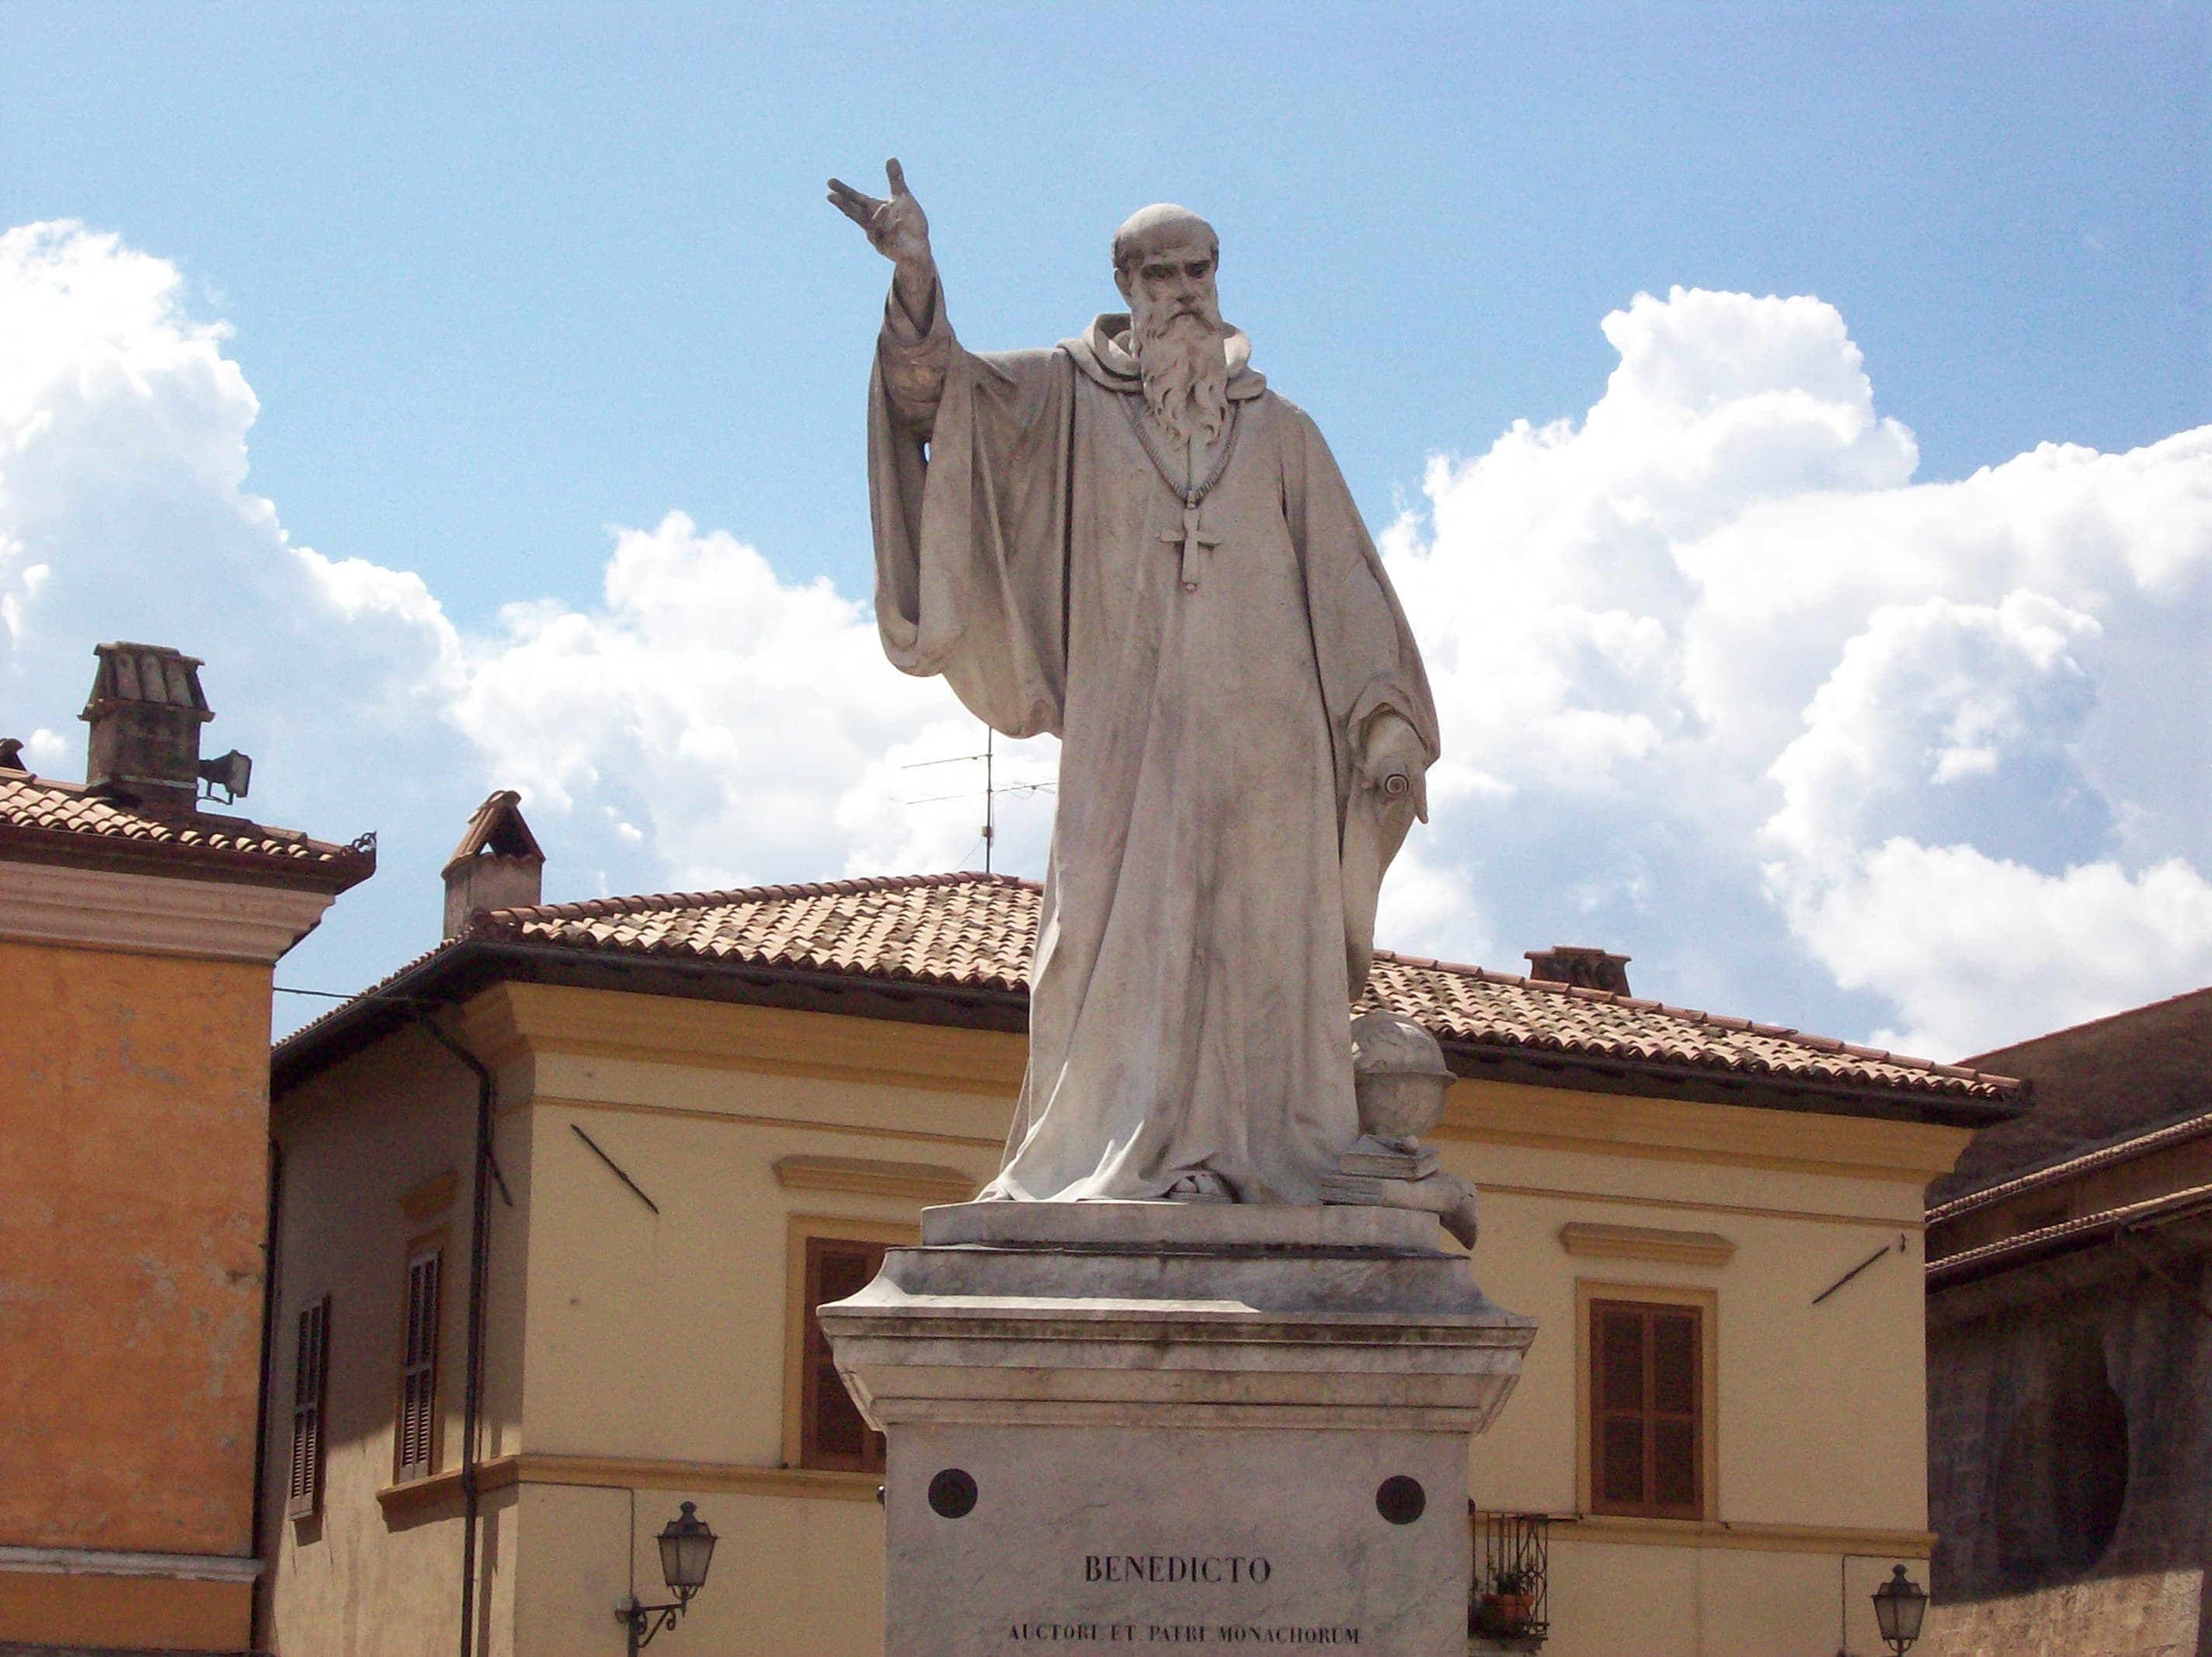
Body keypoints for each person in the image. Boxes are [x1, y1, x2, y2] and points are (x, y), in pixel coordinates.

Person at [830, 162, 1437, 1205]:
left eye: (1200, 269)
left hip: (1271, 752)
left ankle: (1257, 1156)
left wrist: (1383, 719)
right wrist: (917, 277)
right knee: (1112, 944)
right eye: (1161, 273)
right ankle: (1119, 1147)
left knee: (1254, 952)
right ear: (1124, 283)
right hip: (1127, 737)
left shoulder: (1281, 430)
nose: (1185, 291)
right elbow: (931, 395)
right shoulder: (1065, 397)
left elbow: (1350, 589)